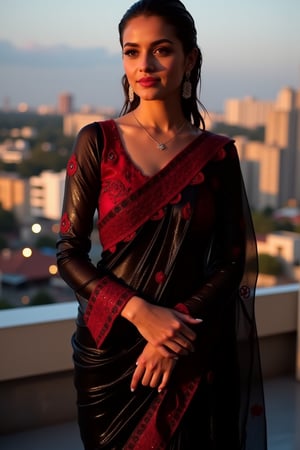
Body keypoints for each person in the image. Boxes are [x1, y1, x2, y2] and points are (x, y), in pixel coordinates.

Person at [56, 0, 267, 448]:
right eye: (131, 52)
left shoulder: (216, 154)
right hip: (109, 350)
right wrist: (140, 314)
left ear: (189, 59)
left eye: (162, 50)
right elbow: (69, 252)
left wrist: (173, 333)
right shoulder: (98, 141)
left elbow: (233, 263)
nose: (144, 65)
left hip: (189, 342)